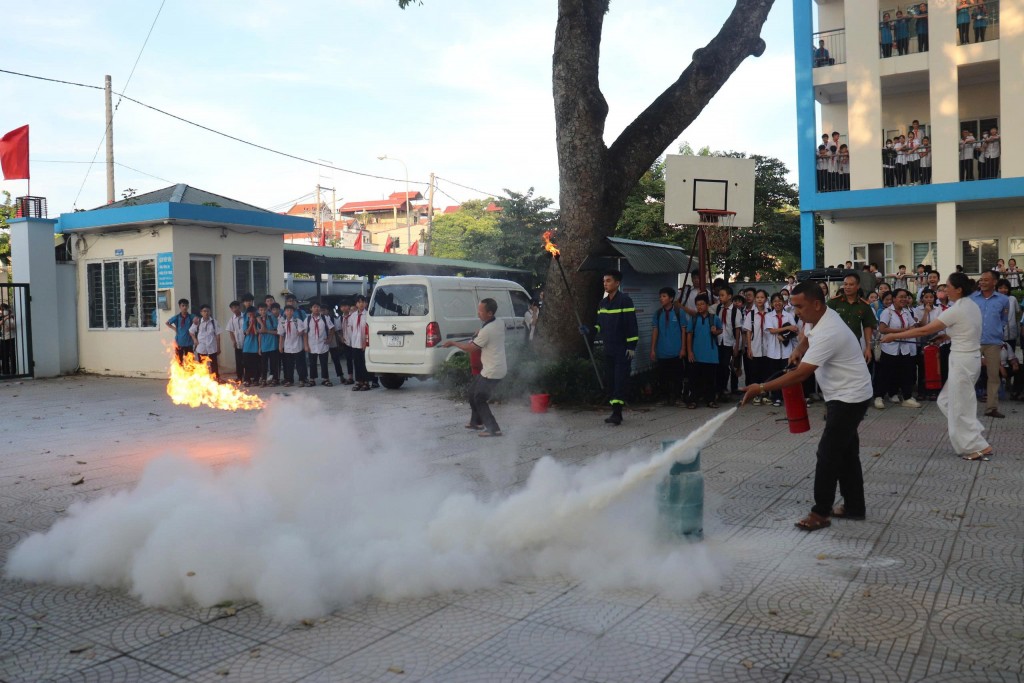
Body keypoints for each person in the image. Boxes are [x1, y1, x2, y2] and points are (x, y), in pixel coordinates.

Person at [742, 281, 873, 530]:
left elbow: (801, 375)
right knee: (846, 454)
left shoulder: (830, 330)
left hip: (850, 398)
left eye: (799, 306)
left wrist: (760, 388)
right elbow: (808, 334)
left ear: (816, 303)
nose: (797, 312)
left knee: (828, 454)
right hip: (844, 394)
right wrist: (800, 348)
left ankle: (820, 513)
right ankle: (855, 507)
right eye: (794, 306)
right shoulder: (821, 316)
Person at [881, 273, 993, 460]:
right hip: (968, 359)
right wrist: (946, 336)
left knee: (959, 405)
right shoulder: (970, 306)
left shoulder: (956, 309)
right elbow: (965, 329)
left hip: (963, 360)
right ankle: (972, 438)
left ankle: (975, 446)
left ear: (958, 289)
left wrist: (894, 336)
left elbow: (925, 329)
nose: (944, 290)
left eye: (947, 286)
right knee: (948, 401)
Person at [442, 298, 507, 437]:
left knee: (479, 397)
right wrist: (481, 331)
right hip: (492, 367)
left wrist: (453, 343)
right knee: (472, 392)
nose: (478, 313)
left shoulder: (487, 330)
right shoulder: (498, 322)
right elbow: (487, 331)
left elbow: (470, 348)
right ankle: (476, 422)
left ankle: (493, 428)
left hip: (493, 370)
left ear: (489, 313)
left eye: (480, 311)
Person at [589, 270, 639, 425]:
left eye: (608, 281)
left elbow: (632, 325)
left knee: (619, 380)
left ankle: (617, 414)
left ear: (617, 283)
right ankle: (614, 411)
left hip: (622, 349)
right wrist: (590, 330)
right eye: (604, 281)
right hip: (608, 348)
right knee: (610, 380)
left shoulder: (625, 301)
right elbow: (599, 325)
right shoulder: (602, 303)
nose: (605, 283)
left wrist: (631, 346)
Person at [971, 270, 1010, 417]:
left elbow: (1003, 319)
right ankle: (964, 408)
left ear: (994, 282)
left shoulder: (1003, 300)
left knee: (993, 376)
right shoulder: (972, 298)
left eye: (985, 280)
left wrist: (997, 332)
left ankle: (991, 408)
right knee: (969, 375)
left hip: (993, 342)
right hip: (974, 342)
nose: (982, 282)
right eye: (981, 280)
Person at [875, 289, 921, 409]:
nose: (904, 299)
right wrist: (902, 331)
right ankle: (878, 397)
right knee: (885, 374)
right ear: (894, 299)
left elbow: (912, 326)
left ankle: (907, 397)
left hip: (904, 348)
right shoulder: (887, 312)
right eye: (900, 297)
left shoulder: (906, 312)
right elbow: (883, 329)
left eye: (905, 297)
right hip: (889, 348)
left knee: (906, 374)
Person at [650, 287, 687, 406]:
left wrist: (683, 348)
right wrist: (653, 349)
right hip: (662, 351)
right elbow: (655, 331)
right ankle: (664, 397)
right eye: (660, 296)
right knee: (663, 376)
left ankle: (677, 397)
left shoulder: (678, 312)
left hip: (676, 351)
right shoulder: (658, 313)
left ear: (671, 298)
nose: (661, 299)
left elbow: (683, 331)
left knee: (677, 376)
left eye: (664, 296)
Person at [685, 293, 722, 409]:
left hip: (711, 354)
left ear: (707, 305)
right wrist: (689, 352)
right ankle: (693, 400)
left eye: (702, 304)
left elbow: (720, 330)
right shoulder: (694, 319)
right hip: (696, 354)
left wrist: (715, 331)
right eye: (697, 305)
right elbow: (689, 335)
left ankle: (710, 400)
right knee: (694, 379)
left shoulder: (714, 318)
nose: (700, 307)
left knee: (710, 379)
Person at [764, 292, 799, 406]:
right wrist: (786, 328)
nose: (777, 303)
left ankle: (788, 396)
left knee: (787, 374)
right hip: (773, 350)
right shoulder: (768, 316)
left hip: (786, 349)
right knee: (775, 374)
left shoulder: (789, 315)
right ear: (771, 304)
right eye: (775, 301)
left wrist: (784, 336)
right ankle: (776, 397)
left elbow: (794, 330)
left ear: (783, 302)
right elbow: (771, 330)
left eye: (779, 301)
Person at [188, 304, 223, 380]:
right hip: (201, 347)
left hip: (212, 347)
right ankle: (203, 379)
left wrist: (218, 347)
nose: (206, 313)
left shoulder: (214, 322)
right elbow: (191, 331)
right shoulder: (198, 322)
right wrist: (194, 339)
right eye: (204, 311)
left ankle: (216, 378)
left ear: (210, 312)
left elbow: (217, 335)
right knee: (202, 364)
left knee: (214, 364)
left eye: (207, 311)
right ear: (201, 312)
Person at [278, 304, 308, 387]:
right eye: (287, 310)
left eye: (291, 310)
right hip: (287, 346)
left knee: (300, 364)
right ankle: (289, 380)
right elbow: (281, 335)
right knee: (288, 365)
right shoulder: (282, 322)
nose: (289, 312)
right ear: (284, 312)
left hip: (298, 345)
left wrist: (301, 333)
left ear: (293, 312)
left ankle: (302, 379)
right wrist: (280, 346)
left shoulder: (297, 321)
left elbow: (303, 332)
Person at [305, 302, 333, 387]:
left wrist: (330, 339)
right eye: (314, 307)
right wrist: (306, 345)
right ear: (311, 309)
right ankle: (312, 379)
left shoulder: (325, 318)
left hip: (322, 344)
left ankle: (326, 379)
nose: (316, 309)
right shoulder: (308, 319)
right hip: (312, 344)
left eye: (318, 307)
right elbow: (305, 333)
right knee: (312, 363)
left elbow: (332, 328)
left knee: (324, 363)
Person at [347, 295, 371, 391]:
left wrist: (365, 342)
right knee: (357, 363)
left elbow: (369, 329)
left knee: (364, 363)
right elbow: (351, 328)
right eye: (359, 302)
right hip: (355, 343)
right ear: (356, 304)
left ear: (366, 303)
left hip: (365, 343)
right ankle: (359, 381)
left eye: (363, 302)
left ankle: (366, 382)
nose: (361, 304)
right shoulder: (353, 315)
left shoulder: (368, 315)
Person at [165, 299, 196, 365]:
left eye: (186, 306)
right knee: (179, 362)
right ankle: (180, 374)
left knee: (190, 362)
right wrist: (174, 329)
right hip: (179, 343)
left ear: (188, 307)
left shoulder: (191, 316)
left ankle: (190, 374)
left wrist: (196, 321)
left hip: (189, 343)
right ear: (180, 306)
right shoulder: (177, 317)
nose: (184, 307)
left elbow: (196, 320)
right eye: (183, 305)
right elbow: (167, 323)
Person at [240, 305, 262, 387]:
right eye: (249, 313)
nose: (250, 315)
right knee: (246, 364)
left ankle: (256, 379)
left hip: (255, 345)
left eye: (252, 313)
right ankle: (247, 379)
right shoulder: (245, 322)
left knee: (256, 364)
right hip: (247, 346)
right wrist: (250, 324)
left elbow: (256, 333)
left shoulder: (258, 321)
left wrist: (253, 323)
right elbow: (246, 332)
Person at [996, 278, 1020, 352]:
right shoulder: (994, 300)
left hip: (1012, 333)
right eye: (1000, 288)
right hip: (999, 334)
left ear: (1009, 289)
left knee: (1012, 355)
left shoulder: (1013, 299)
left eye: (1005, 288)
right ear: (996, 289)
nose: (1003, 290)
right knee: (1001, 357)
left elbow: (1017, 312)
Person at [225, 300, 244, 383]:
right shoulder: (232, 319)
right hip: (238, 343)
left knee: (247, 360)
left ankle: (248, 377)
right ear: (231, 309)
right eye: (232, 308)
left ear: (239, 307)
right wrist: (233, 341)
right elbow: (230, 331)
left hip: (246, 343)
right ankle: (239, 377)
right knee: (238, 361)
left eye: (236, 307)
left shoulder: (245, 316)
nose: (234, 309)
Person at [0, 303, 15, 376]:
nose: (2, 311)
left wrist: (8, 317)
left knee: (11, 355)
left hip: (10, 337)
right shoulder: (3, 317)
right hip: (3, 338)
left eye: (3, 309)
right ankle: (6, 372)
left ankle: (13, 371)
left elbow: (12, 326)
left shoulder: (11, 316)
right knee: (4, 355)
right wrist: (6, 318)